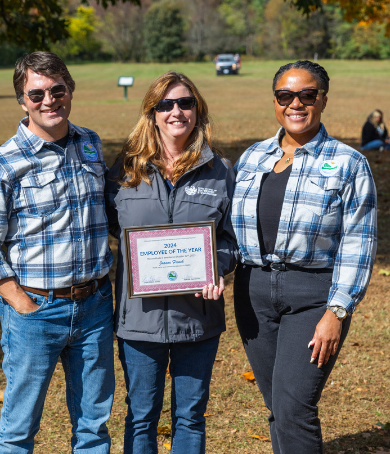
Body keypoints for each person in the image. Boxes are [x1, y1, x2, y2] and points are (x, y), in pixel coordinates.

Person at [0, 52, 115, 454]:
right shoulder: (3, 163)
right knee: (19, 426)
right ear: (22, 100)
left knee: (94, 424)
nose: (49, 100)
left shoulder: (90, 144)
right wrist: (21, 302)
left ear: (70, 91)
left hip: (95, 306)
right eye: (37, 94)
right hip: (36, 310)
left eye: (57, 90)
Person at [231, 60, 377, 454]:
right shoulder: (251, 158)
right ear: (275, 101)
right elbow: (229, 232)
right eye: (285, 95)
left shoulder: (349, 163)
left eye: (307, 94)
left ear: (323, 100)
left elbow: (359, 243)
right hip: (253, 292)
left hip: (312, 293)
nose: (296, 103)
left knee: (295, 407)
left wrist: (338, 310)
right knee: (277, 405)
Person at [105, 71, 238, 454]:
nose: (176, 111)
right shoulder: (124, 170)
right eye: (166, 104)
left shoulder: (221, 171)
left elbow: (231, 239)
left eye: (185, 103)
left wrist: (216, 266)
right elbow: (111, 228)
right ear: (152, 113)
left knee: (190, 417)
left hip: (198, 318)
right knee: (141, 416)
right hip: (138, 321)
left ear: (198, 110)